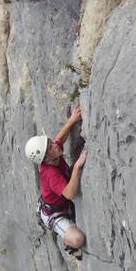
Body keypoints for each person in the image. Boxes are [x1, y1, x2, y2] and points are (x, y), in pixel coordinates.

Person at [25, 106, 87, 257]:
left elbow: (61, 137)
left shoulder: (52, 155)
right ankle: (68, 243)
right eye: (50, 147)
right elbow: (70, 194)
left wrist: (72, 120)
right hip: (54, 213)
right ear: (45, 158)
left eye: (50, 143)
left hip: (60, 200)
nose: (55, 145)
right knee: (78, 239)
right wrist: (77, 166)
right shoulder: (50, 174)